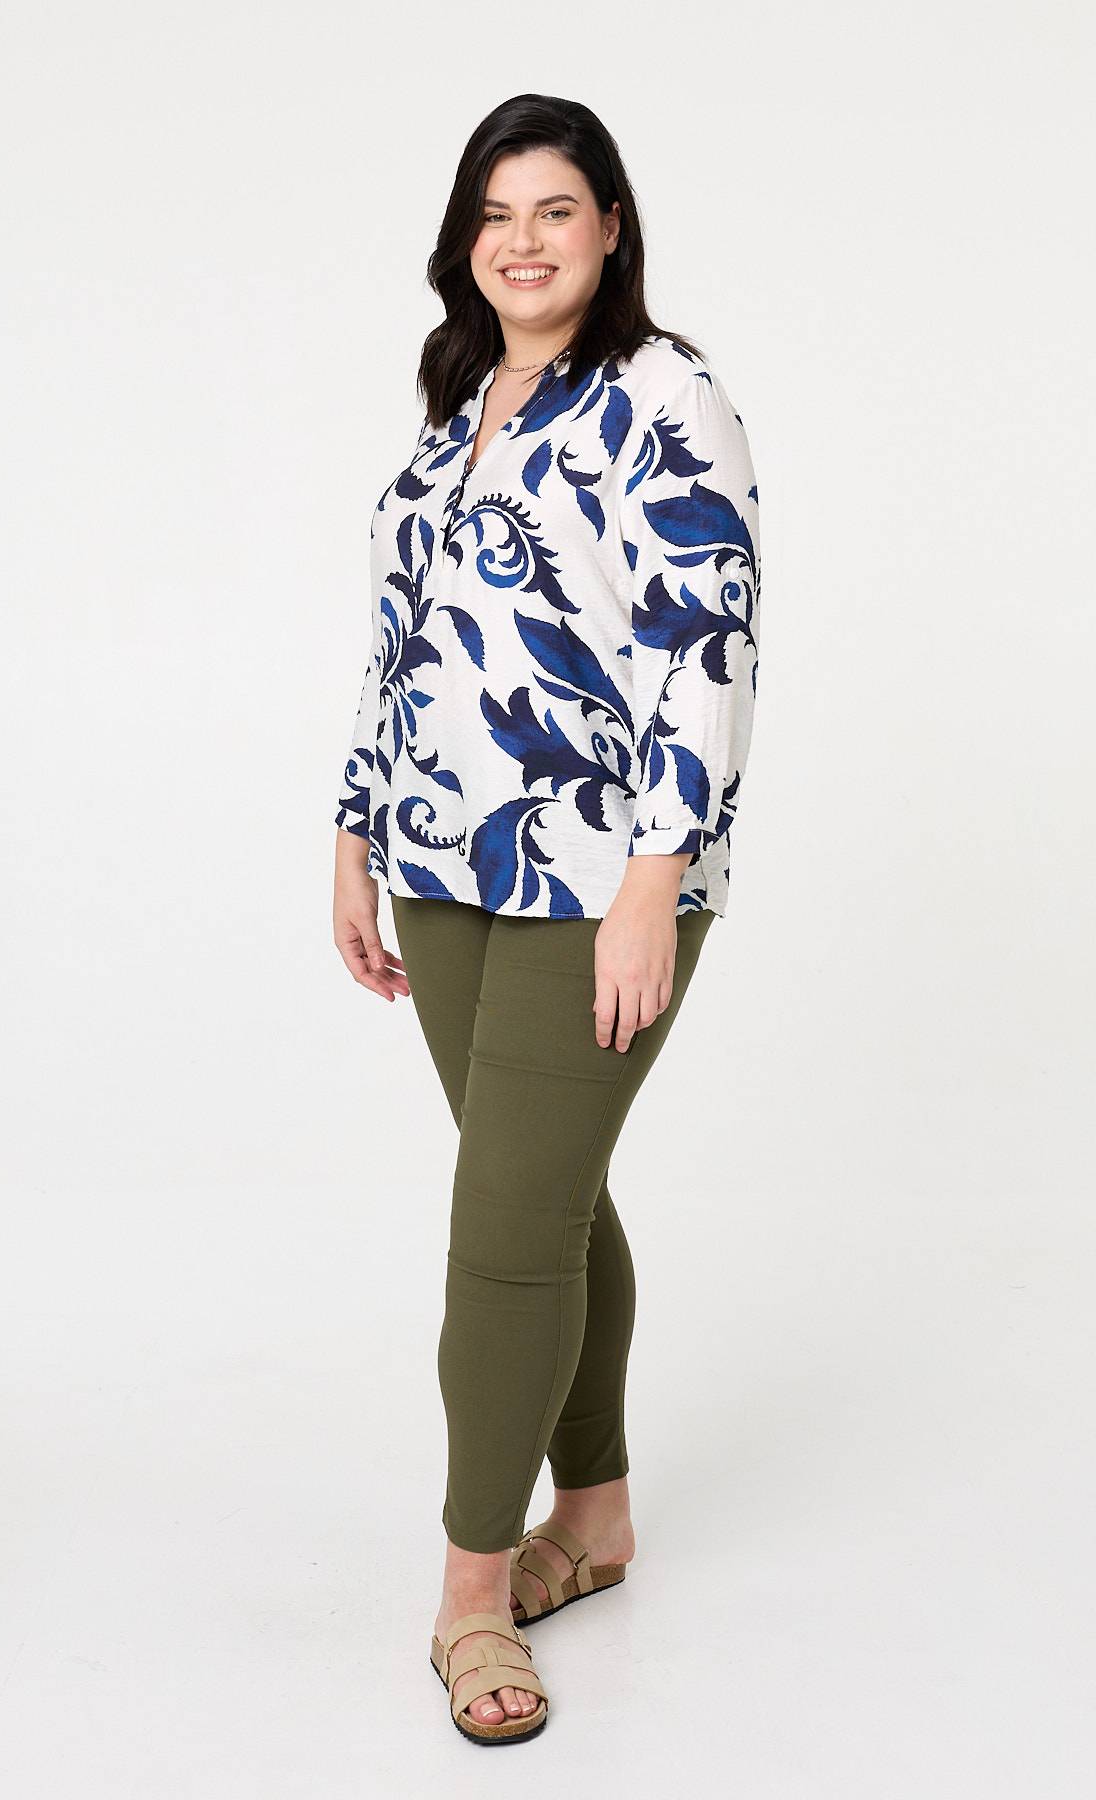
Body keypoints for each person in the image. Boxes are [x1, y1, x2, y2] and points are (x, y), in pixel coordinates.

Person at [331, 93, 762, 1745]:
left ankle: (471, 1595)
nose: (523, 240)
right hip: (441, 863)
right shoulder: (457, 404)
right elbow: (400, 639)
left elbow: (707, 636)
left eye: (556, 209)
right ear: (466, 239)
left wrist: (657, 878)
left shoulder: (664, 393)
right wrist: (355, 830)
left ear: (609, 228)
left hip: (603, 875)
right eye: (496, 212)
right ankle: (597, 1516)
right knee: (552, 1200)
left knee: (506, 1229)